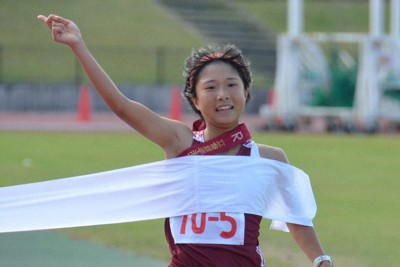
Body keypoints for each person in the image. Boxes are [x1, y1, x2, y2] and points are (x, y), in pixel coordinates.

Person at [38, 14, 332, 267]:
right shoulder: (179, 142)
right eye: (211, 87)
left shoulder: (270, 159)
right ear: (195, 99)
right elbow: (121, 106)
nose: (223, 95)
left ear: (246, 94)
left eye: (232, 85)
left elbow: (296, 216)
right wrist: (78, 46)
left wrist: (320, 259)